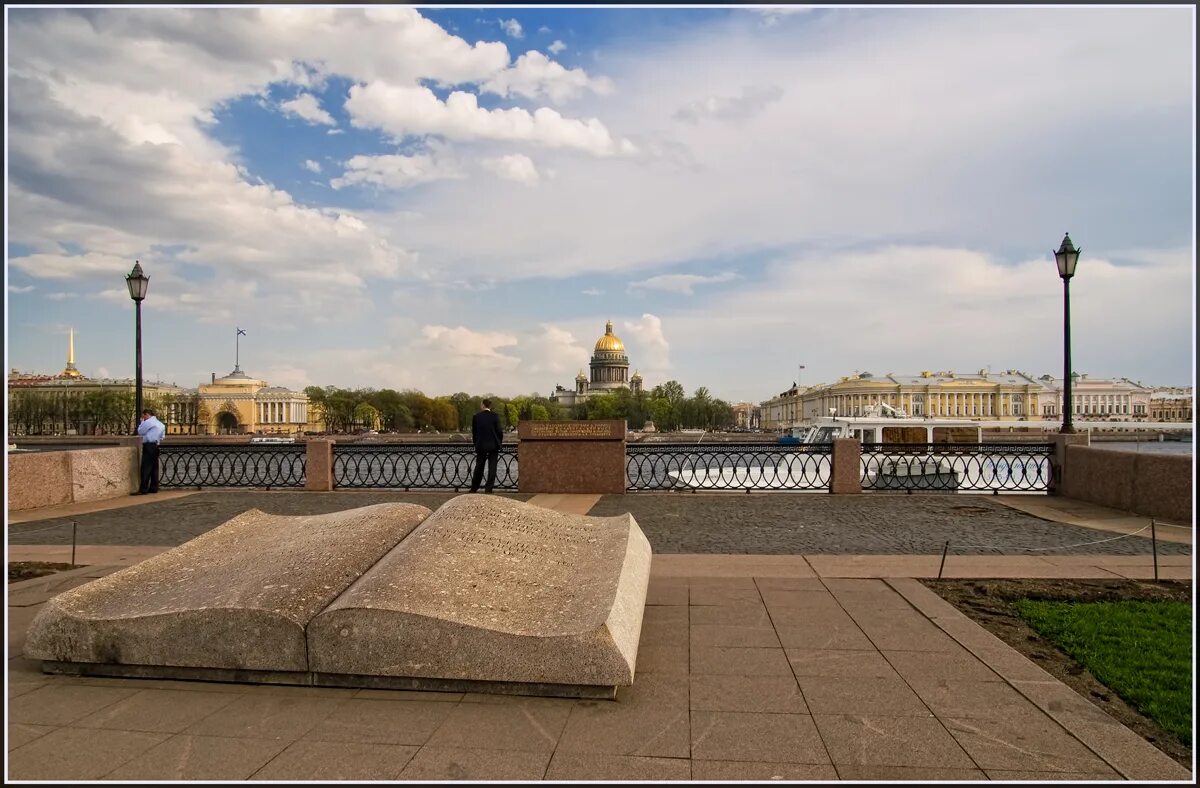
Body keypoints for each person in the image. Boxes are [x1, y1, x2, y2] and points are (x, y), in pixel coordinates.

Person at [469, 399, 504, 494]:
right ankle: (488, 489)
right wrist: (499, 442)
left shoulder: (476, 417)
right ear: (490, 406)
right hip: (493, 445)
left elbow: (474, 433)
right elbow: (499, 431)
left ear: (483, 405)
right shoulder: (495, 416)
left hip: (481, 445)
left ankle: (474, 488)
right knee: (492, 467)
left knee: (479, 467)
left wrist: (476, 443)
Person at [135, 408, 165, 494]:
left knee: (146, 468)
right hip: (156, 446)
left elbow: (140, 431)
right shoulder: (161, 424)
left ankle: (143, 489)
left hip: (148, 446)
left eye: (143, 416)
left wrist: (142, 422)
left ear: (146, 414)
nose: (143, 417)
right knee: (154, 468)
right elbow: (162, 437)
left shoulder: (148, 422)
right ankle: (154, 488)